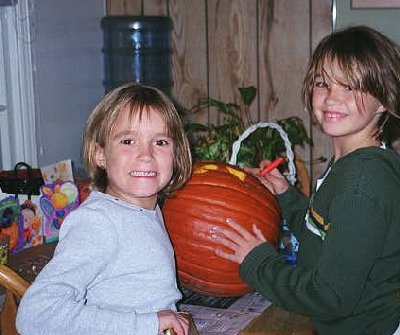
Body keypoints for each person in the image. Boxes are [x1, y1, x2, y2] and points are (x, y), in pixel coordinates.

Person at [213, 26, 400, 335]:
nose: (331, 98)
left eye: (350, 87)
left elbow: (330, 296)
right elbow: (323, 237)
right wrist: (286, 195)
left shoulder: (362, 183)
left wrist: (259, 262)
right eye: (322, 83)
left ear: (384, 100)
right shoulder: (352, 164)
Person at [16, 83, 192, 335]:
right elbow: (37, 315)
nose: (146, 155)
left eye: (160, 141)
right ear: (100, 154)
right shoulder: (99, 222)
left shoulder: (142, 208)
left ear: (176, 154)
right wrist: (148, 324)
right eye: (128, 141)